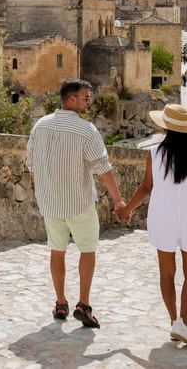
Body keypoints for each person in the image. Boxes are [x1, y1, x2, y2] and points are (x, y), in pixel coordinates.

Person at [25, 79, 127, 329]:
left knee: (57, 250)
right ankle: (84, 305)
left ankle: (61, 304)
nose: (89, 102)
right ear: (72, 99)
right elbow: (103, 167)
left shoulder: (41, 126)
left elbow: (31, 163)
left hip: (51, 202)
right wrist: (118, 200)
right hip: (79, 202)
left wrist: (44, 190)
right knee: (88, 250)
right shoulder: (86, 130)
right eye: (86, 97)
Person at [116, 104, 187, 346]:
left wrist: (127, 210)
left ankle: (173, 321)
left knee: (167, 273)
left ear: (165, 127)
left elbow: (146, 187)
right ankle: (183, 321)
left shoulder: (155, 153)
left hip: (163, 217)